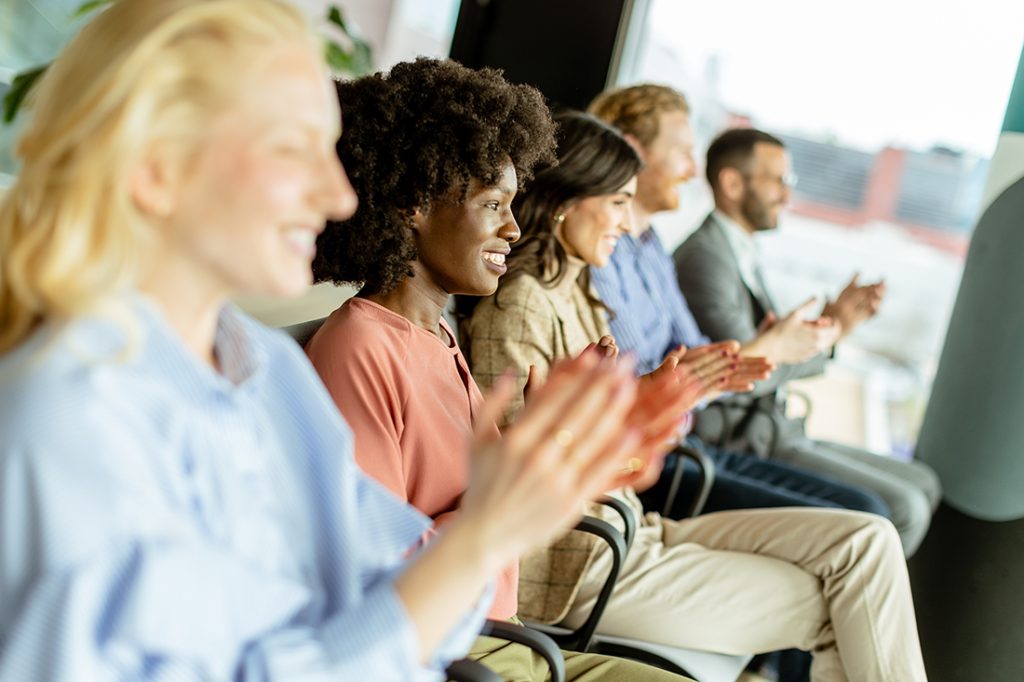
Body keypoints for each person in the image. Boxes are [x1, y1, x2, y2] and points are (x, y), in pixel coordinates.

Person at [0, 3, 661, 679]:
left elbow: (383, 576)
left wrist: (515, 501)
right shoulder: (67, 421)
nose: (340, 196)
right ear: (158, 169)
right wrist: (482, 535)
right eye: (292, 150)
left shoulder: (262, 371)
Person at [462, 110, 928, 682]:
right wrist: (651, 406)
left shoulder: (576, 293)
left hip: (635, 526)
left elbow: (607, 443)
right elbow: (520, 482)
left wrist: (659, 400)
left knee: (869, 537)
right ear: (565, 202)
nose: (628, 223)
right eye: (617, 204)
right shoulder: (520, 308)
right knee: (845, 605)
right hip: (578, 559)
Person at [306, 58, 690, 682]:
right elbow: (372, 578)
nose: (514, 227)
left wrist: (546, 436)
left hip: (495, 636)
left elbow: (458, 493)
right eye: (493, 205)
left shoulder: (439, 334)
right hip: (451, 653)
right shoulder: (360, 349)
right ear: (413, 206)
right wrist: (516, 479)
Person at [586, 84, 891, 523]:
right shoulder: (622, 255)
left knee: (873, 512)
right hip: (666, 455)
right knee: (872, 515)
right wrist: (786, 343)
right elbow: (656, 377)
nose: (694, 171)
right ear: (632, 150)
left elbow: (697, 356)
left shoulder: (651, 248)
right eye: (684, 153)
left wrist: (775, 344)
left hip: (694, 439)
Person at [674, 126, 941, 556]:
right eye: (779, 180)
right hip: (745, 438)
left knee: (924, 483)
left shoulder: (737, 250)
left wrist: (832, 327)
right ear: (732, 183)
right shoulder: (706, 259)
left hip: (773, 426)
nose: (787, 193)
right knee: (903, 507)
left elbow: (772, 345)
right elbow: (750, 369)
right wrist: (831, 331)